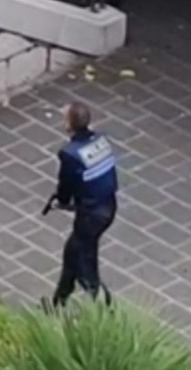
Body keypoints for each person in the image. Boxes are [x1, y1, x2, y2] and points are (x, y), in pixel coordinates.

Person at [51, 102, 118, 308]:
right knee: (73, 251)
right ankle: (58, 302)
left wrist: (61, 202)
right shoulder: (101, 140)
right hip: (108, 206)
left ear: (69, 124)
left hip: (90, 215)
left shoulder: (70, 153)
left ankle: (102, 305)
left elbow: (66, 184)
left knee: (83, 262)